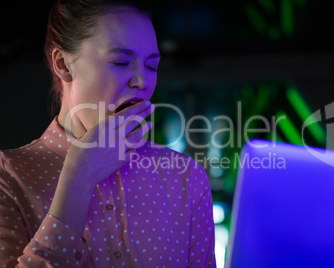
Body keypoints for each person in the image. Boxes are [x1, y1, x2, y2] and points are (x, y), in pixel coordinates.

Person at [0, 0, 216, 267]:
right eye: (121, 61)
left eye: (151, 66)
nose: (142, 81)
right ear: (63, 64)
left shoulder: (185, 177)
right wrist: (77, 179)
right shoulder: (9, 177)